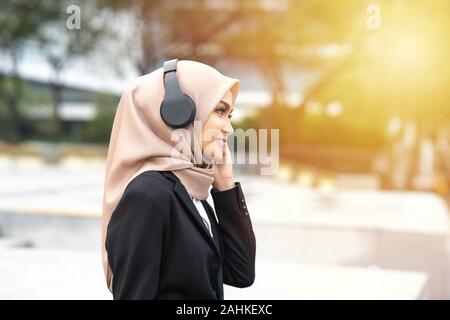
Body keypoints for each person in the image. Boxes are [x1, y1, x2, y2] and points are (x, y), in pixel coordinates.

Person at [101, 59, 256, 299]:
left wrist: (225, 185)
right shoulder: (148, 196)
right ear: (178, 113)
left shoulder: (194, 191)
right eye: (220, 111)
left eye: (229, 115)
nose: (229, 128)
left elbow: (241, 273)